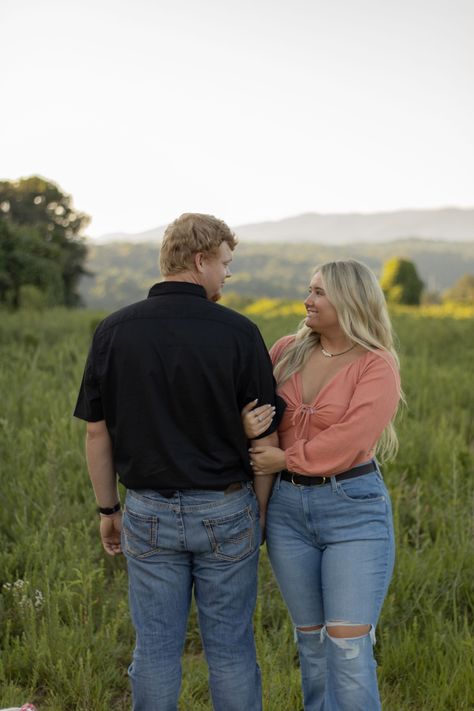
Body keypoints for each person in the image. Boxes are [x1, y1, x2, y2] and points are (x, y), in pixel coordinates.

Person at [74, 213, 282, 711]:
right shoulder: (239, 331)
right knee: (231, 652)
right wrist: (258, 514)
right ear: (200, 259)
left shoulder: (113, 330)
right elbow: (266, 431)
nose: (227, 275)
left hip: (147, 512)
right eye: (225, 264)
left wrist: (108, 510)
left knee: (156, 650)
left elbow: (96, 430)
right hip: (227, 509)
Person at [242, 259, 402, 711]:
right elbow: (251, 409)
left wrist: (286, 457)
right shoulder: (285, 350)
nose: (307, 300)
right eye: (309, 290)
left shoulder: (377, 364)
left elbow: (351, 437)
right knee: (311, 645)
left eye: (319, 292)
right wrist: (242, 423)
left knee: (348, 646)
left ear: (350, 300)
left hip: (353, 508)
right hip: (288, 509)